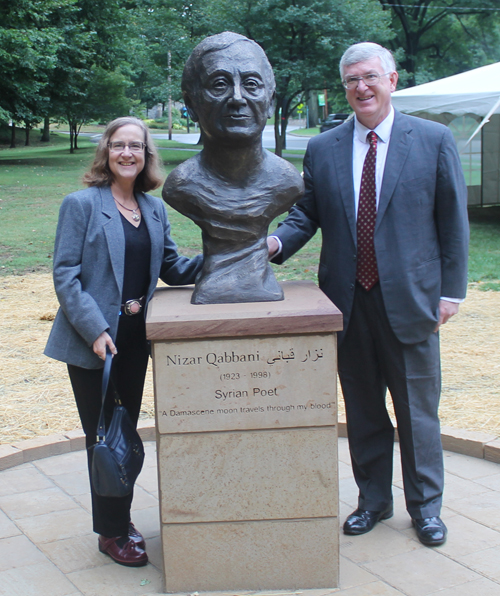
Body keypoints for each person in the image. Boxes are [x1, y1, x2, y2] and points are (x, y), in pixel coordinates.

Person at [268, 42, 469, 547]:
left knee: (417, 412)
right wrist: (272, 245)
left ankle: (425, 509)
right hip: (347, 302)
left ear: (392, 80)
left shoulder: (434, 140)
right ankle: (373, 501)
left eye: (370, 77)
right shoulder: (324, 147)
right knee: (362, 409)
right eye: (351, 80)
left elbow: (453, 222)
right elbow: (305, 216)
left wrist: (452, 294)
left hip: (413, 301)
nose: (361, 87)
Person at [44, 116, 203, 566]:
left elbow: (173, 267)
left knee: (124, 432)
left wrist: (223, 258)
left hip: (135, 343)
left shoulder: (153, 209)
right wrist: (95, 329)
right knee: (106, 439)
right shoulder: (82, 204)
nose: (128, 153)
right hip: (95, 344)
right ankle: (112, 532)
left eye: (136, 145)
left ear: (147, 155)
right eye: (119, 145)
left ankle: (120, 519)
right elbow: (66, 275)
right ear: (106, 153)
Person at [163, 32, 303, 304]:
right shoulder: (180, 186)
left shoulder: (288, 183)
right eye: (219, 85)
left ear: (270, 101)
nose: (237, 98)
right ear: (191, 103)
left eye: (251, 84)